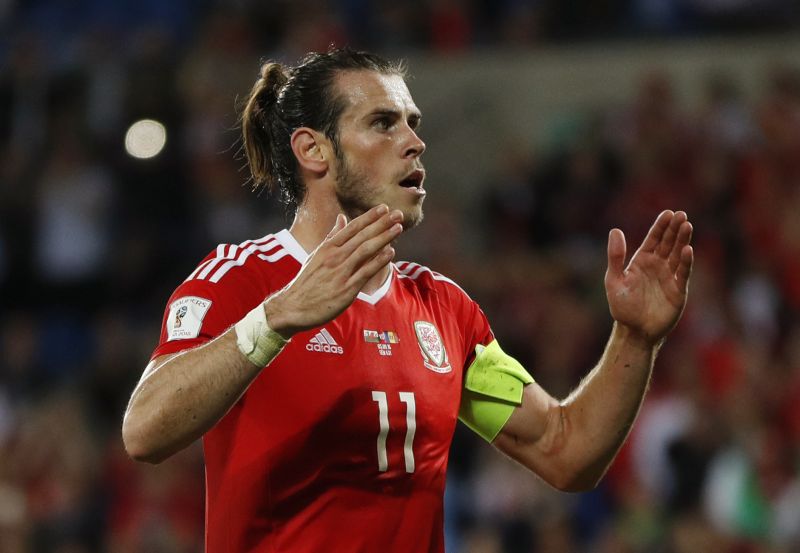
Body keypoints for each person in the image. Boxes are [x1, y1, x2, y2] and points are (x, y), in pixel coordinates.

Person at [122, 48, 694, 552]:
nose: (415, 142)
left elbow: (565, 451)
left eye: (413, 123)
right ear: (314, 150)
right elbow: (144, 431)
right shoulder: (240, 281)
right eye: (383, 123)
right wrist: (275, 319)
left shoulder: (442, 309)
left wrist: (635, 338)